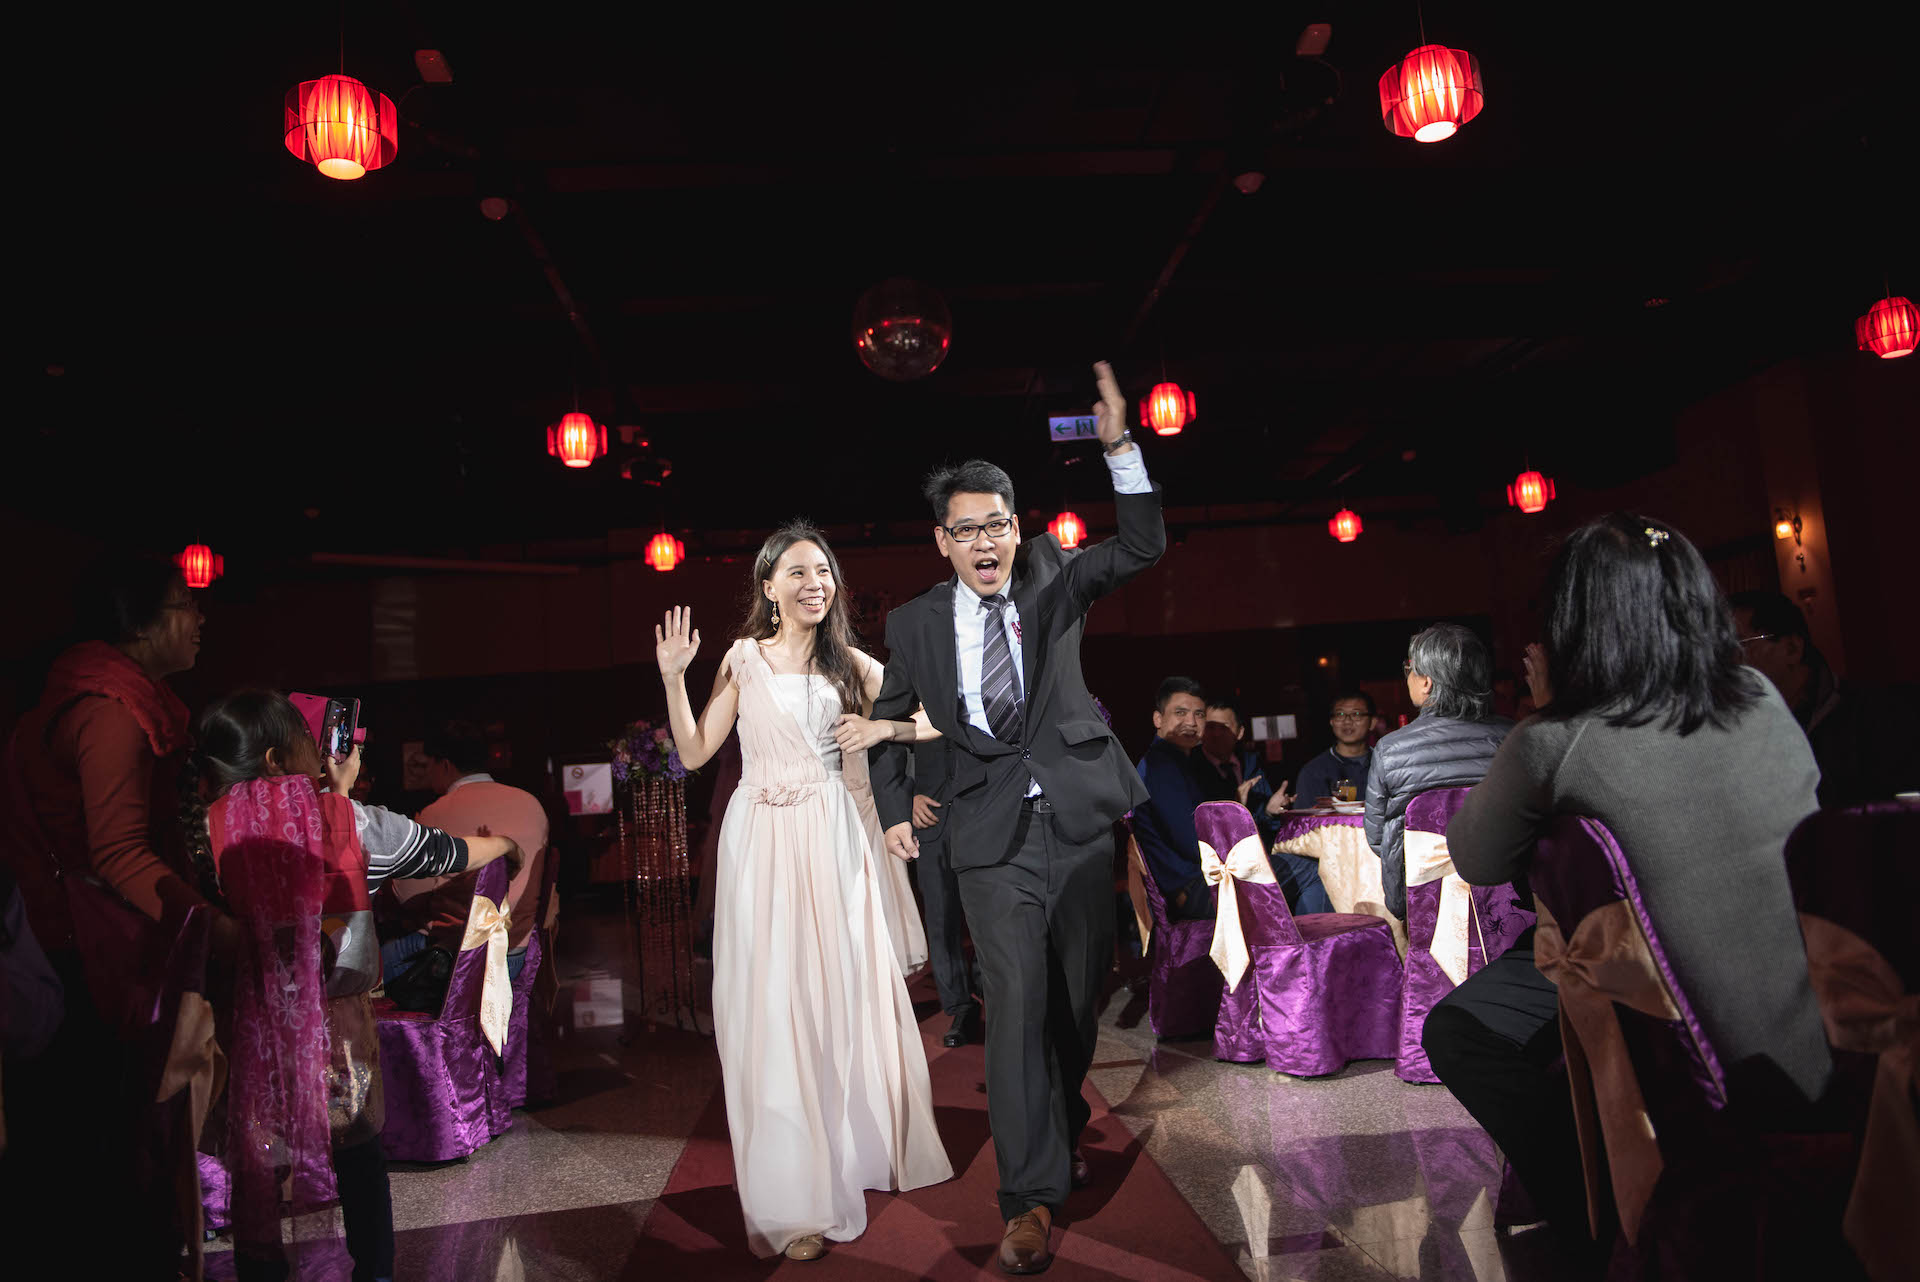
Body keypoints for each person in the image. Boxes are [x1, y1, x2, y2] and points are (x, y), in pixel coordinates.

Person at [1425, 515, 1830, 1260]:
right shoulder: (1759, 695)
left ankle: (1600, 1224)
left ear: (1572, 622)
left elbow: (1475, 856)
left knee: (1458, 1031)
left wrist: (1546, 712)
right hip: (1823, 1013)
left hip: (1689, 1034)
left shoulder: (1556, 737)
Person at [870, 361, 1165, 1275]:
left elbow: (1142, 546)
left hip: (1075, 823)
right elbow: (888, 721)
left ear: (1015, 526)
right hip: (988, 838)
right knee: (1016, 1008)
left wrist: (1120, 449)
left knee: (1075, 1003)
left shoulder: (1054, 575)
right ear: (943, 542)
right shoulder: (915, 624)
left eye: (997, 523)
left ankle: (1061, 1119)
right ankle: (1027, 1199)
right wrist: (894, 806)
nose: (985, 542)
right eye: (966, 530)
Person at [653, 523, 950, 1262]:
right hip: (760, 841)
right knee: (773, 1005)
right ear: (768, 587)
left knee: (835, 999)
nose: (815, 583)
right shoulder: (742, 659)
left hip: (830, 835)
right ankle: (795, 1196)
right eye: (798, 572)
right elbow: (694, 751)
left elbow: (936, 718)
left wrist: (884, 734)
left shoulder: (849, 663)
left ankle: (847, 1155)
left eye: (823, 572)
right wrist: (673, 678)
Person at [183, 689, 522, 1282]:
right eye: (304, 740)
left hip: (246, 1022)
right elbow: (442, 853)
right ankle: (375, 1272)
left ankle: (261, 1267)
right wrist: (505, 847)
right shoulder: (348, 820)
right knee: (358, 1151)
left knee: (259, 1157)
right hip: (336, 1021)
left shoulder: (205, 827)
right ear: (276, 759)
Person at [0, 553, 234, 1277]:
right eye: (185, 604)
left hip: (68, 953)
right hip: (88, 964)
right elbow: (120, 854)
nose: (199, 618)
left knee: (84, 1158)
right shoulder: (110, 712)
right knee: (105, 1159)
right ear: (138, 624)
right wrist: (215, 928)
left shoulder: (96, 696)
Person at [383, 721, 551, 983]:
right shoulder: (532, 804)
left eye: (429, 766)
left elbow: (407, 897)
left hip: (456, 960)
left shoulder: (434, 814)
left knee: (373, 962)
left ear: (445, 765)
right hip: (518, 953)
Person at [1365, 625, 1514, 920]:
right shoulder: (1515, 737)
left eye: (1409, 668)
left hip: (1423, 900)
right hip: (1508, 895)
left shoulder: (1391, 749)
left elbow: (1377, 837)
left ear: (1426, 682)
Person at [1729, 588, 1912, 806]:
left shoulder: (1869, 714)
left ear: (1792, 649)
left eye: (1739, 644)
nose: (1727, 660)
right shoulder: (1737, 723)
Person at [908, 733, 980, 1046]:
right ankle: (959, 1007)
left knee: (988, 915)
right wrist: (907, 797)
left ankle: (991, 992)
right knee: (940, 919)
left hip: (980, 818)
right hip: (930, 822)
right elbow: (889, 754)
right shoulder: (910, 705)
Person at [1132, 677, 1217, 921]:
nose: (1191, 722)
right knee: (1304, 869)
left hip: (1199, 880)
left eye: (1199, 714)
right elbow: (1192, 842)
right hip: (1194, 888)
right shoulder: (1160, 766)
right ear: (1158, 719)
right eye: (1180, 713)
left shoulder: (1180, 762)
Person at [1293, 691, 1377, 805]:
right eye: (1340, 715)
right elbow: (1305, 815)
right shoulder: (1314, 771)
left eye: (1356, 714)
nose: (1347, 721)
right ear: (1331, 722)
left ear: (1372, 722)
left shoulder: (1386, 766)